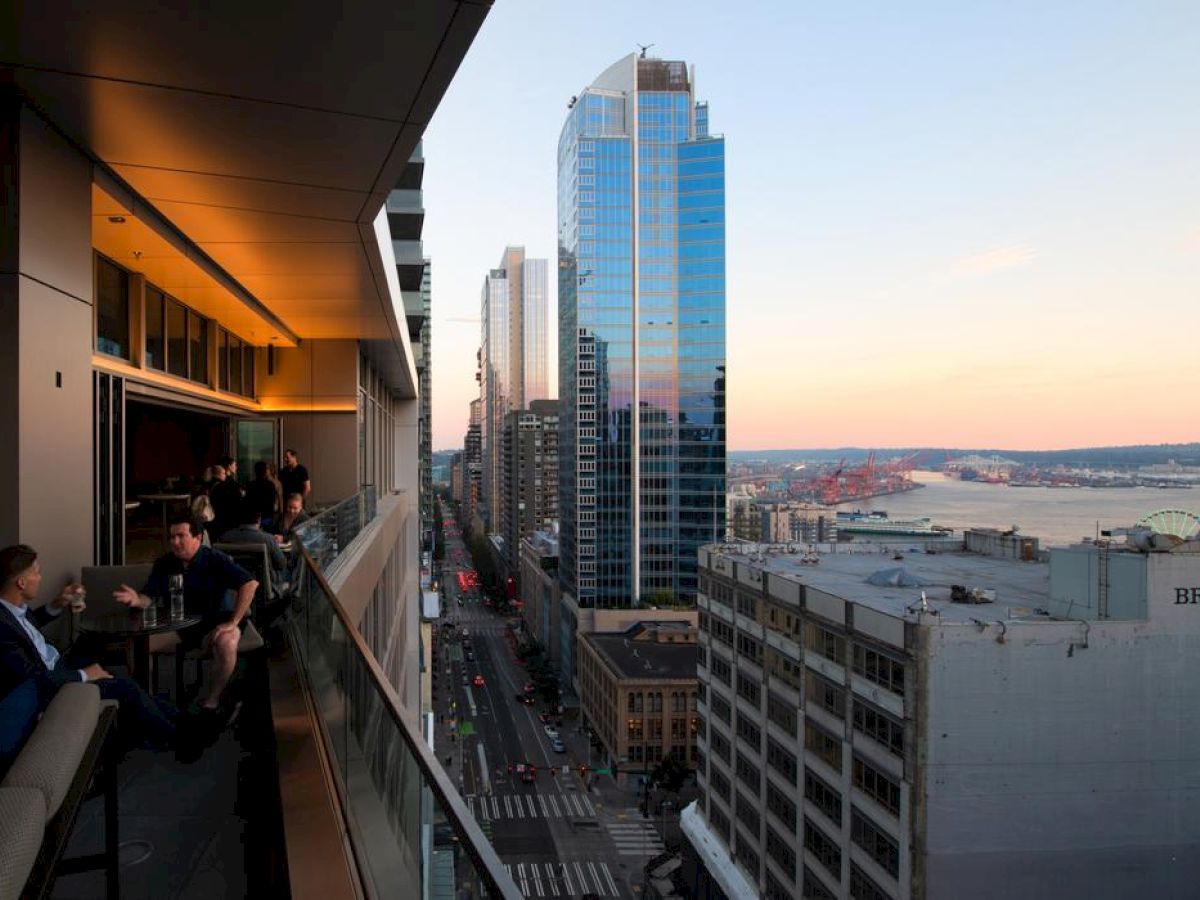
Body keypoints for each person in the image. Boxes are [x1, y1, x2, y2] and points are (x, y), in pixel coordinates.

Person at [0, 545, 177, 751]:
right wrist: (84, 674)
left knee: (118, 676)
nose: (40, 577)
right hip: (52, 680)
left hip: (60, 662)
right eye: (37, 573)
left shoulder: (12, 610)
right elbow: (36, 678)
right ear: (21, 582)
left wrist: (58, 603)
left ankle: (176, 718)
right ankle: (175, 738)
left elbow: (28, 627)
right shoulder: (2, 627)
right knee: (124, 686)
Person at [114, 514, 258, 724]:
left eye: (181, 536)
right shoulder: (165, 563)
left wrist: (234, 621)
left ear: (197, 537)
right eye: (172, 537)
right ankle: (142, 698)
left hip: (219, 620)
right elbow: (149, 596)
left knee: (227, 641)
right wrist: (137, 599)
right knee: (136, 643)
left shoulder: (214, 559)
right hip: (183, 625)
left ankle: (212, 702)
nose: (175, 542)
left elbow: (250, 584)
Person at [219, 500, 289, 596]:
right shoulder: (268, 539)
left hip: (234, 586)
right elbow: (281, 564)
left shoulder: (225, 538)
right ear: (259, 519)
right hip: (264, 587)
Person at [208, 459, 243, 539]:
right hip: (224, 520)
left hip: (215, 520)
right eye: (234, 465)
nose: (236, 467)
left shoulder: (213, 485)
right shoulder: (225, 486)